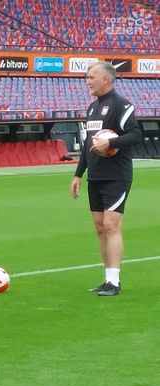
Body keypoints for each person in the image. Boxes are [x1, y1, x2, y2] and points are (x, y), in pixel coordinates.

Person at [69, 61, 142, 296]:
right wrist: (78, 174)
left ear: (105, 79)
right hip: (96, 175)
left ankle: (115, 282)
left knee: (111, 225)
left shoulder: (122, 104)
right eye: (86, 77)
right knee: (100, 227)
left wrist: (111, 142)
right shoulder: (92, 108)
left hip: (117, 176)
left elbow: (135, 134)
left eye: (91, 77)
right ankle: (107, 279)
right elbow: (87, 145)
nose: (87, 81)